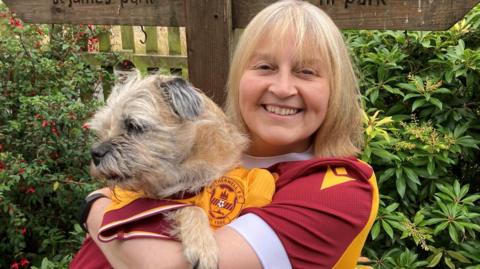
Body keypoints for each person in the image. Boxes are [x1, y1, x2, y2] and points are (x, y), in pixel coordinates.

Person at [83, 0, 379, 268]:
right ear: (239, 76)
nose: (282, 88)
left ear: (335, 90)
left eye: (306, 72)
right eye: (265, 66)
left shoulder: (341, 190)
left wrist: (94, 207)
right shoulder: (191, 164)